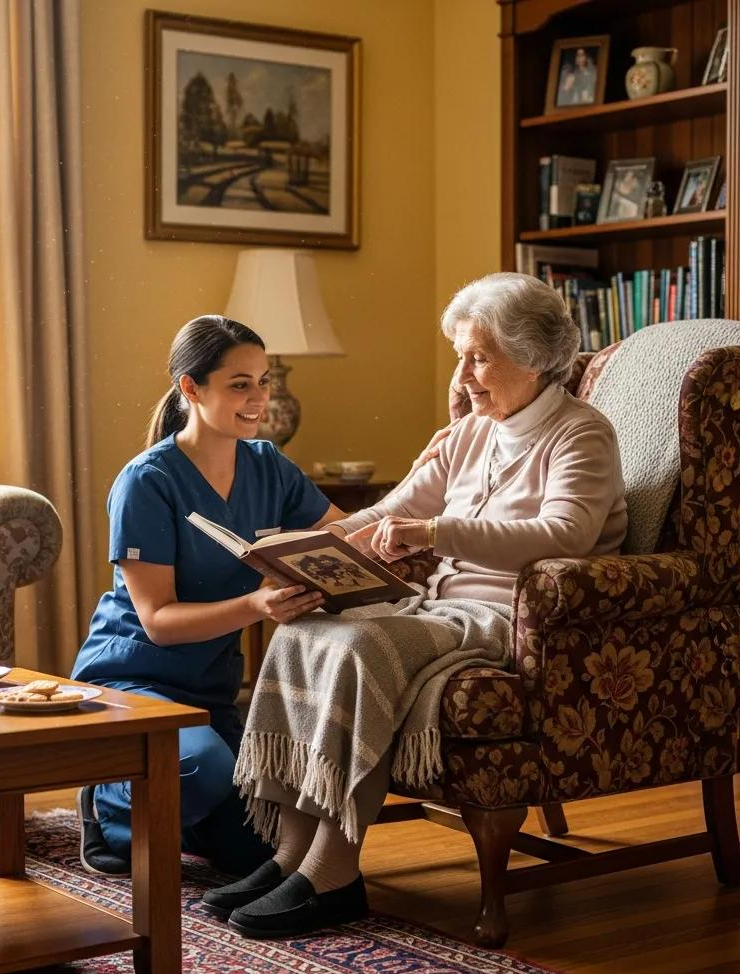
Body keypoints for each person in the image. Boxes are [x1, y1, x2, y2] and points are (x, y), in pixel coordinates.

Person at [201, 272, 627, 937]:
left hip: (510, 618)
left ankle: (334, 874)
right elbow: (388, 513)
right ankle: (289, 853)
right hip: (441, 605)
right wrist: (301, 546)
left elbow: (564, 536)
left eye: (478, 356)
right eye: (461, 354)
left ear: (534, 357)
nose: (463, 375)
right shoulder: (471, 431)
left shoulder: (582, 434)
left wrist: (435, 534)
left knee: (365, 644)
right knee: (303, 624)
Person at [72, 314, 344, 877]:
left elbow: (347, 533)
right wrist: (254, 606)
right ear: (190, 389)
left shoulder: (269, 465)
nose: (258, 398)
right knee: (204, 773)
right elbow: (158, 622)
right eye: (239, 384)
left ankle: (180, 813)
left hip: (211, 695)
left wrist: (424, 489)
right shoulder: (147, 481)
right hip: (133, 680)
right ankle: (106, 803)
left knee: (271, 840)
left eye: (263, 380)